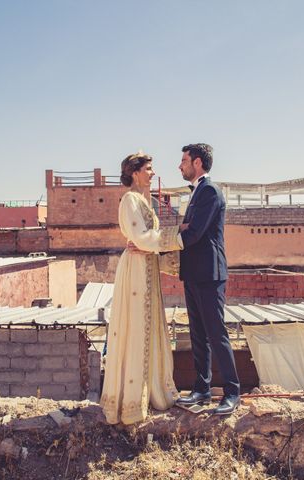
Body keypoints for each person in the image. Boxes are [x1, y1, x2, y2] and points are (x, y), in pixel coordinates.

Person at [100, 151, 184, 425]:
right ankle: (132, 402)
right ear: (135, 172)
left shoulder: (145, 200)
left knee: (148, 326)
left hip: (146, 267)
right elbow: (141, 238)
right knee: (137, 328)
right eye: (149, 168)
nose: (152, 172)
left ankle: (153, 392)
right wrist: (178, 238)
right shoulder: (130, 200)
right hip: (136, 269)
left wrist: (158, 247)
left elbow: (147, 242)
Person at [175, 143, 241, 415]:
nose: (180, 166)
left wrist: (164, 239)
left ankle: (232, 392)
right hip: (193, 273)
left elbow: (194, 233)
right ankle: (201, 389)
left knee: (216, 334)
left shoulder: (210, 192)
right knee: (197, 334)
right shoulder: (197, 193)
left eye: (184, 160)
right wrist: (181, 228)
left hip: (210, 273)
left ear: (198, 163)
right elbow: (187, 230)